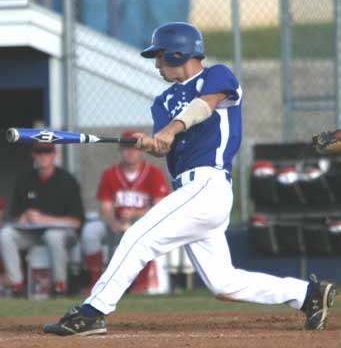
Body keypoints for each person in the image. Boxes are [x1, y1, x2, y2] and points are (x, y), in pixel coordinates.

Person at [43, 22, 336, 336]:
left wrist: (169, 131)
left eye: (160, 56)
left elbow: (204, 107)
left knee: (138, 237)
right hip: (189, 193)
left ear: (178, 51)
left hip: (208, 187)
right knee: (224, 283)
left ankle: (93, 311)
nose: (156, 64)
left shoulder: (217, 76)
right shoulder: (162, 102)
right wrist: (153, 144)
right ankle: (306, 295)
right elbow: (165, 144)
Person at [81, 130, 170, 294]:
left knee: (144, 233)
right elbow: (106, 208)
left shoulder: (153, 173)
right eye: (126, 147)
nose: (130, 151)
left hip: (142, 222)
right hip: (115, 223)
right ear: (121, 150)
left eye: (134, 147)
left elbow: (160, 207)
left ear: (142, 150)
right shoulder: (110, 174)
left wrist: (136, 215)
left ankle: (142, 283)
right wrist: (113, 223)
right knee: (90, 232)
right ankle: (96, 282)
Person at [0, 143, 84, 297]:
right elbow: (13, 216)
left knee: (52, 235)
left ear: (54, 154)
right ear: (33, 155)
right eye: (39, 152)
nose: (43, 156)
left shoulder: (67, 180)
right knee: (6, 234)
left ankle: (59, 285)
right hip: (32, 234)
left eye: (47, 152)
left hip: (64, 235)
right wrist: (22, 218)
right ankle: (16, 284)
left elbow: (77, 222)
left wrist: (45, 219)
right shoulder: (24, 179)